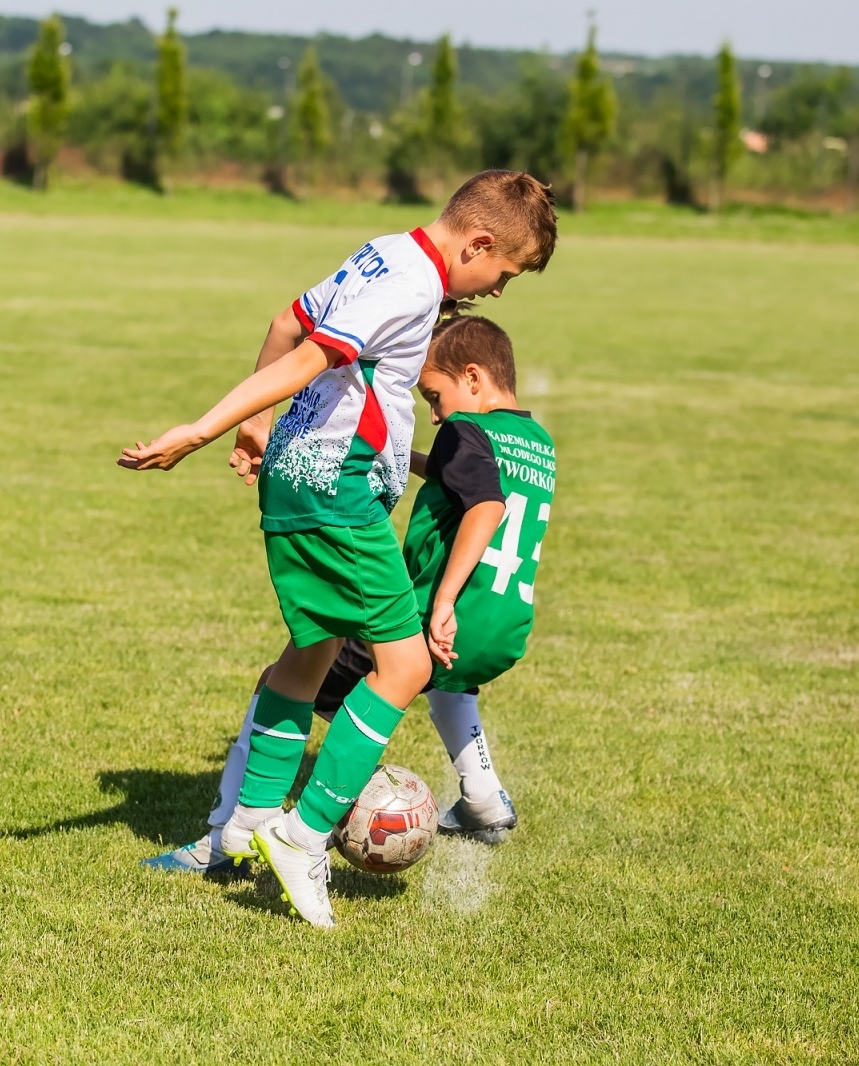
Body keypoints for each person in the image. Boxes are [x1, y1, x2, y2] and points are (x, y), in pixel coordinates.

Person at [120, 171, 558, 927]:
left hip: (311, 476)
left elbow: (286, 319)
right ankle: (303, 833)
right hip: (334, 485)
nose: (495, 290)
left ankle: (246, 825)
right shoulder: (412, 286)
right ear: (479, 242)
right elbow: (307, 358)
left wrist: (258, 428)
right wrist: (205, 427)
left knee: (311, 653)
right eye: (503, 275)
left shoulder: (387, 253)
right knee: (407, 663)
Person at [147, 315, 556, 876]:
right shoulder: (537, 442)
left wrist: (441, 604)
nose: (435, 414)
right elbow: (459, 475)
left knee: (286, 680)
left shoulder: (466, 432)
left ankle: (235, 835)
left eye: (435, 398)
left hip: (437, 611)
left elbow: (484, 503)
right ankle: (483, 795)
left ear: (474, 377)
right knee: (441, 676)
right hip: (502, 626)